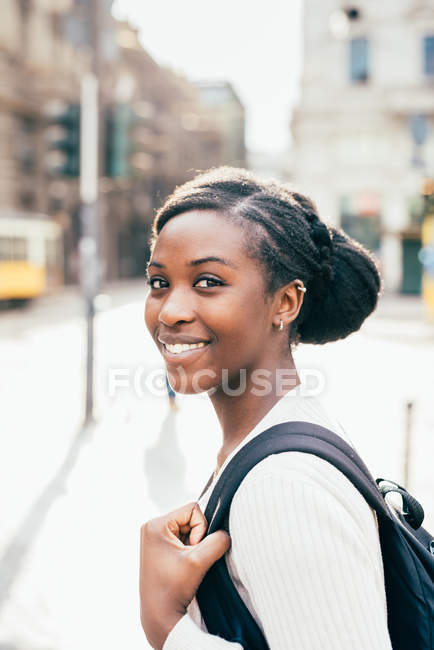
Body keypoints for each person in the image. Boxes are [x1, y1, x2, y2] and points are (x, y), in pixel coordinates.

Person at [140, 167, 392, 649]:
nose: (169, 310)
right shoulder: (277, 435)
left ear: (286, 303)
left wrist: (168, 627)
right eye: (158, 282)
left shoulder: (282, 485)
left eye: (208, 281)